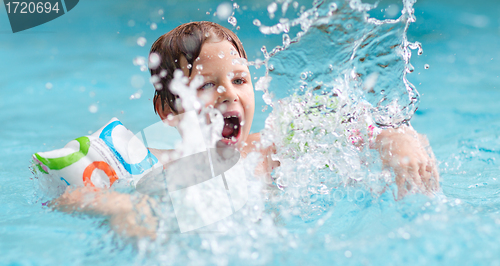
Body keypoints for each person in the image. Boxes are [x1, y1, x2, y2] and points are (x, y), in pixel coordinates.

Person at [53, 21, 439, 237]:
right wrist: (119, 206)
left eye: (240, 80)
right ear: (167, 110)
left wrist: (395, 138)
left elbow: (349, 123)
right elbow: (68, 200)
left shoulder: (266, 151)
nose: (228, 94)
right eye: (206, 85)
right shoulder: (159, 173)